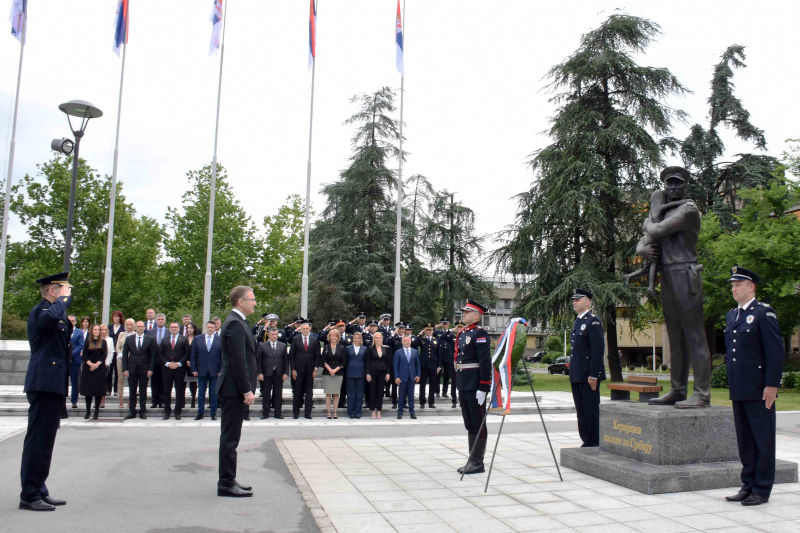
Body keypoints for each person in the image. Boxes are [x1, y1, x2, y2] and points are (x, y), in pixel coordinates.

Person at [637, 166, 711, 408]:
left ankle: (701, 394)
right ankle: (678, 390)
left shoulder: (687, 209)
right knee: (676, 337)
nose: (673, 188)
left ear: (685, 185)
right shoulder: (662, 211)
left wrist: (649, 219)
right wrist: (641, 249)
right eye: (669, 184)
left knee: (695, 336)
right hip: (668, 274)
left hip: (686, 272)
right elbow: (646, 240)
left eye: (677, 183)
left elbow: (656, 230)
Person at [723, 266, 784, 506]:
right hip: (739, 388)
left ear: (751, 287)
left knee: (763, 439)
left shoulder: (763, 313)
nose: (734, 288)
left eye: (738, 284)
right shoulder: (732, 315)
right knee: (745, 441)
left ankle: (762, 488)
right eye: (732, 285)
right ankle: (747, 484)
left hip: (760, 389)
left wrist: (772, 384)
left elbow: (775, 353)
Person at [19, 272, 72, 511]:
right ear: (52, 291)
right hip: (42, 383)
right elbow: (49, 320)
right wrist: (61, 303)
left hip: (53, 384)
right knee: (37, 441)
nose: (68, 292)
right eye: (64, 289)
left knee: (46, 441)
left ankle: (39, 488)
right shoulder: (41, 311)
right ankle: (29, 495)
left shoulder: (54, 314)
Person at [216, 285, 258, 498]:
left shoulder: (239, 322)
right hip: (233, 390)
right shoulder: (234, 324)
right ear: (240, 301)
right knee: (230, 439)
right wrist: (246, 390)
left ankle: (229, 479)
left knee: (232, 438)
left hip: (235, 389)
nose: (255, 302)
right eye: (252, 299)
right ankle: (225, 484)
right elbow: (237, 361)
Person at [455, 299, 491, 474]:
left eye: (467, 312)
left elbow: (485, 363)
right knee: (469, 423)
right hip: (464, 383)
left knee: (478, 423)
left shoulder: (480, 334)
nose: (464, 314)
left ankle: (478, 462)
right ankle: (472, 459)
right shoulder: (463, 333)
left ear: (476, 316)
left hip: (475, 385)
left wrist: (484, 387)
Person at [569, 289, 606, 447]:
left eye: (578, 299)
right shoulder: (578, 321)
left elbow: (598, 351)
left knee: (590, 410)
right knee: (581, 412)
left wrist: (594, 375)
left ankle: (593, 441)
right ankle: (586, 440)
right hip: (577, 374)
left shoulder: (593, 321)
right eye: (573, 300)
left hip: (588, 376)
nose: (574, 302)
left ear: (587, 302)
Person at [122, 321, 156, 419]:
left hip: (144, 368)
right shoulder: (129, 339)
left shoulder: (150, 339)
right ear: (135, 328)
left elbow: (153, 355)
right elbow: (125, 354)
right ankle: (132, 411)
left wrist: (151, 369)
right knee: (132, 390)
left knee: (143, 390)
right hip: (132, 368)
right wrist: (125, 368)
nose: (140, 328)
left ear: (144, 328)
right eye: (138, 326)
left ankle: (142, 411)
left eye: (141, 326)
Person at [288, 321, 320, 419]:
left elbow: (317, 356)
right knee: (297, 392)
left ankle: (308, 413)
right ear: (300, 330)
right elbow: (291, 356)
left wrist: (315, 369)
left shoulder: (314, 340)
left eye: (307, 329)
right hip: (298, 370)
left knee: (309, 393)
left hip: (310, 371)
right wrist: (293, 369)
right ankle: (295, 413)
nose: (305, 330)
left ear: (309, 329)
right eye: (303, 329)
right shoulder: (295, 339)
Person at [192, 321, 222, 420]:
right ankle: (200, 412)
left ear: (215, 328)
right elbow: (193, 355)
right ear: (206, 328)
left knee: (214, 393)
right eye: (208, 327)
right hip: (201, 370)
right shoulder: (197, 339)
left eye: (212, 327)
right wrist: (194, 369)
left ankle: (213, 413)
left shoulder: (220, 339)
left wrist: (221, 370)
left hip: (215, 371)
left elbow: (223, 356)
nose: (210, 329)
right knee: (201, 393)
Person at [256, 326, 288, 419]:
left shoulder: (283, 346)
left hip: (279, 373)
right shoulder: (263, 345)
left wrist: (286, 373)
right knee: (266, 394)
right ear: (269, 335)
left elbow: (286, 361)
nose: (274, 336)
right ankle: (265, 413)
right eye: (272, 334)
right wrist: (259, 373)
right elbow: (259, 361)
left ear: (277, 335)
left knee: (278, 394)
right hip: (266, 373)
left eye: (275, 334)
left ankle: (278, 413)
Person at [160, 322, 188, 420]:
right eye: (172, 327)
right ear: (169, 329)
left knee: (179, 391)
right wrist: (167, 363)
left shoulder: (184, 339)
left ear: (179, 329)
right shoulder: (164, 340)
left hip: (179, 369)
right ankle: (167, 412)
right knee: (166, 391)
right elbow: (160, 354)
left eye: (175, 327)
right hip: (167, 369)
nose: (174, 329)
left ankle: (177, 412)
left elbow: (186, 354)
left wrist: (179, 363)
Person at [80, 325, 107, 420]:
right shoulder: (88, 342)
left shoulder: (103, 342)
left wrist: (96, 365)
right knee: (88, 391)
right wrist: (90, 364)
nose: (97, 331)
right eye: (95, 329)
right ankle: (88, 411)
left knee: (98, 391)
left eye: (98, 330)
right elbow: (84, 355)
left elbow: (104, 355)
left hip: (99, 369)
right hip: (88, 369)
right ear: (92, 331)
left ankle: (96, 412)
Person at [320, 328, 346, 419]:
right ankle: (328, 412)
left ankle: (335, 412)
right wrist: (330, 370)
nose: (334, 337)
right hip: (327, 372)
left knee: (336, 394)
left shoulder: (342, 348)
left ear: (338, 337)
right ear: (329, 337)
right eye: (332, 335)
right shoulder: (326, 347)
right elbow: (323, 360)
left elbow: (343, 362)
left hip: (338, 373)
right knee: (328, 393)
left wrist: (334, 370)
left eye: (336, 336)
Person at [394, 333, 420, 420]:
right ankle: (400, 412)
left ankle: (412, 413)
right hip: (402, 378)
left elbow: (417, 365)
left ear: (410, 341)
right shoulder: (398, 352)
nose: (406, 342)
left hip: (412, 377)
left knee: (411, 396)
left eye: (408, 340)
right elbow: (395, 366)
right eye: (404, 341)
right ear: (402, 342)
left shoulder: (415, 351)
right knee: (401, 396)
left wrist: (418, 375)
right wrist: (396, 377)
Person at [146, 313, 168, 409]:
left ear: (165, 320)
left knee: (164, 381)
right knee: (154, 382)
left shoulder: (169, 332)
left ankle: (162, 401)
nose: (160, 321)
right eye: (158, 319)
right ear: (156, 320)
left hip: (165, 360)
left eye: (162, 319)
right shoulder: (150, 332)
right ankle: (154, 401)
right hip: (153, 360)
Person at [366, 332, 390, 418]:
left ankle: (379, 410)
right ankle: (372, 410)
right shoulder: (370, 349)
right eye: (377, 338)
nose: (378, 339)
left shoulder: (386, 349)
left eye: (380, 338)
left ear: (382, 339)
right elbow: (367, 362)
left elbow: (388, 362)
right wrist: (367, 373)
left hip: (382, 373)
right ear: (374, 339)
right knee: (372, 391)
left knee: (380, 392)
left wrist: (388, 373)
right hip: (373, 372)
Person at [417, 323, 441, 409]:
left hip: (433, 366)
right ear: (425, 330)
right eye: (427, 329)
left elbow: (439, 354)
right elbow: (414, 343)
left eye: (430, 329)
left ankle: (431, 402)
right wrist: (420, 333)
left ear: (433, 331)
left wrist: (439, 366)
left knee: (432, 385)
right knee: (422, 385)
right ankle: (422, 402)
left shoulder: (436, 340)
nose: (429, 331)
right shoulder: (421, 339)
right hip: (423, 365)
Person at [345, 332, 367, 419]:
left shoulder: (365, 349)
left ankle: (358, 412)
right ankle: (351, 412)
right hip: (350, 373)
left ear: (361, 339)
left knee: (359, 394)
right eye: (355, 338)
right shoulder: (348, 348)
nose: (357, 339)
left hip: (361, 373)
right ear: (353, 339)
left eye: (358, 338)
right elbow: (345, 360)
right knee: (350, 394)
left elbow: (366, 361)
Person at [68, 316, 88, 409]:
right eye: (69, 321)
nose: (71, 322)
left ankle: (74, 401)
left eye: (72, 321)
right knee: (63, 381)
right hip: (63, 360)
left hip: (74, 359)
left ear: (75, 322)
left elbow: (81, 345)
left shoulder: (79, 332)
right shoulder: (63, 331)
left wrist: (71, 355)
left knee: (74, 381)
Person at [436, 318, 457, 407]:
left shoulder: (452, 334)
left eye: (446, 323)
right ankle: (437, 391)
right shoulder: (437, 332)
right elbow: (431, 329)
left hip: (448, 357)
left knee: (447, 376)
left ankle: (444, 392)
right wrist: (439, 326)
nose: (445, 325)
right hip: (440, 356)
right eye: (443, 324)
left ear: (449, 324)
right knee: (438, 375)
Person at [114, 318, 135, 408]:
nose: (129, 326)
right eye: (127, 324)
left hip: (132, 359)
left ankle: (131, 399)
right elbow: (118, 346)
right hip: (121, 359)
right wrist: (120, 354)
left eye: (131, 325)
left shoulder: (135, 334)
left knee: (132, 380)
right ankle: (120, 398)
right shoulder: (121, 334)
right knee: (120, 379)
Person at [106, 310, 124, 398]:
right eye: (114, 317)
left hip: (119, 353)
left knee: (118, 372)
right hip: (110, 352)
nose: (115, 318)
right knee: (109, 371)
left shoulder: (123, 328)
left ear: (120, 318)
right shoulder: (109, 327)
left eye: (117, 317)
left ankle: (116, 390)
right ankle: (108, 389)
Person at [182, 322, 199, 409]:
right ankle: (182, 401)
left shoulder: (197, 339)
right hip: (184, 364)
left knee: (193, 383)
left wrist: (193, 362)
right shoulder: (183, 338)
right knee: (183, 383)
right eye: (188, 328)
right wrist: (186, 360)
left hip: (194, 364)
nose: (189, 329)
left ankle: (193, 401)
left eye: (191, 328)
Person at [99, 324, 115, 408]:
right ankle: (96, 400)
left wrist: (107, 363)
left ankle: (102, 401)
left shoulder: (110, 340)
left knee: (103, 383)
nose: (103, 331)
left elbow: (111, 352)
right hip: (96, 364)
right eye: (102, 329)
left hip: (105, 364)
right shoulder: (96, 340)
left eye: (105, 330)